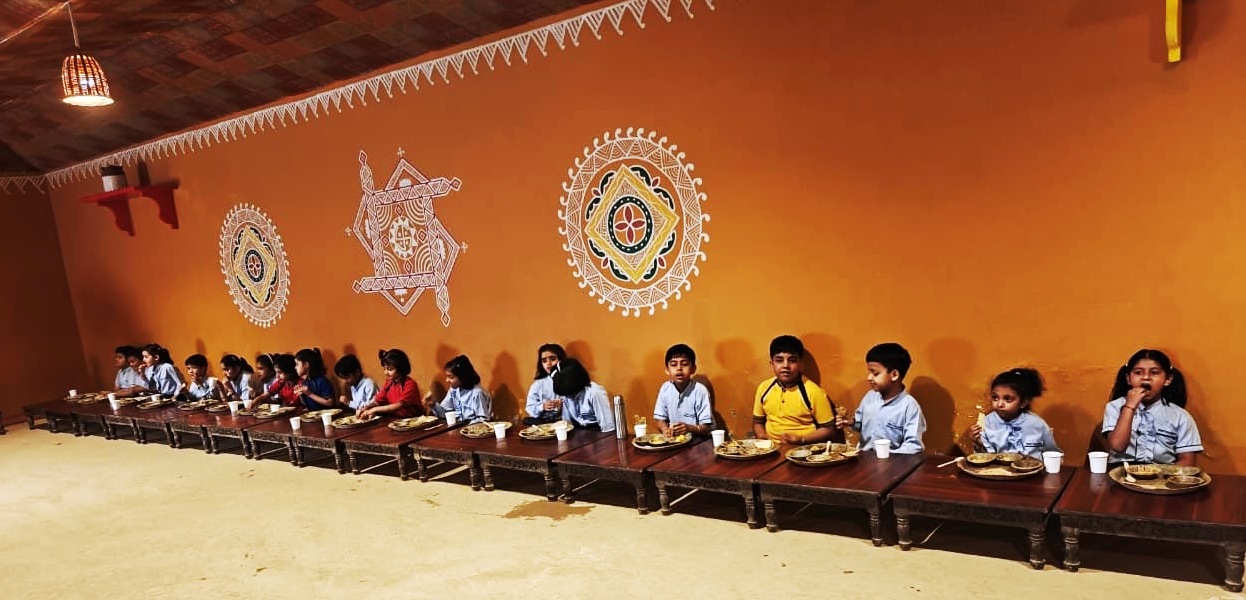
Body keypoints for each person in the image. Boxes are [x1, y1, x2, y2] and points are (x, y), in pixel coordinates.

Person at [1102, 349, 1202, 466]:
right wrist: (1130, 406)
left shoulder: (1180, 416)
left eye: (1154, 373)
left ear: (1168, 379)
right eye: (1138, 372)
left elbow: (1188, 461)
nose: (1146, 377)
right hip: (1121, 471)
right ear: (1128, 379)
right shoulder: (1115, 407)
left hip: (1163, 474)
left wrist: (1162, 474)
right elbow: (1118, 446)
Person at [837, 342, 925, 454]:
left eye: (875, 373)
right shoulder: (870, 397)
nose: (869, 378)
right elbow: (860, 424)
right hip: (864, 458)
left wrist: (886, 455)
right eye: (869, 372)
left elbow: (913, 446)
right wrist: (850, 422)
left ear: (894, 375)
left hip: (893, 461)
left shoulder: (909, 407)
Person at [752, 335, 840, 444]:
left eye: (792, 360)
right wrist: (761, 437)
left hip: (802, 449)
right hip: (771, 448)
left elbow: (829, 429)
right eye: (779, 360)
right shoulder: (764, 388)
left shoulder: (813, 392)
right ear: (772, 364)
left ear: (800, 364)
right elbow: (758, 422)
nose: (786, 365)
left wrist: (801, 440)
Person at [969, 368, 1057, 457]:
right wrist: (978, 443)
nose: (999, 404)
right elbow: (985, 458)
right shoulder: (987, 422)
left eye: (1007, 399)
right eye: (995, 398)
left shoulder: (1037, 424)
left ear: (1023, 402)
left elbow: (1051, 452)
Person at [653, 344, 713, 437]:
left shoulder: (700, 391)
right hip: (674, 440)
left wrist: (689, 428)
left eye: (684, 364)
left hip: (697, 441)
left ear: (693, 369)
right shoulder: (665, 388)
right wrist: (665, 429)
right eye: (673, 364)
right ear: (667, 370)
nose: (679, 368)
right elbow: (660, 419)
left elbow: (706, 427)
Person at [551, 358, 614, 432]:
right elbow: (567, 423)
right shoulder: (567, 394)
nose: (567, 397)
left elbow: (607, 426)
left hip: (597, 431)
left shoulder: (594, 392)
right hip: (578, 432)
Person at [425, 355, 493, 423]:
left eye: (451, 377)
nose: (447, 380)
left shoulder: (477, 392)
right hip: (459, 426)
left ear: (463, 377)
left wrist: (467, 426)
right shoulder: (453, 390)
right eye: (447, 377)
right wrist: (433, 405)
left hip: (474, 428)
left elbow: (483, 419)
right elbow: (445, 413)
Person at [357, 349, 421, 419]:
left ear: (401, 368)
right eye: (384, 369)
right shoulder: (389, 383)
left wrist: (374, 410)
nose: (386, 373)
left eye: (390, 369)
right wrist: (366, 408)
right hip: (396, 419)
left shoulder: (410, 384)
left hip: (413, 419)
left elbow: (398, 405)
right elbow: (377, 402)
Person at [524, 343, 566, 425]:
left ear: (561, 360)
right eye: (544, 361)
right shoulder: (538, 385)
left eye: (553, 359)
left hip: (565, 422)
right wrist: (542, 406)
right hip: (543, 423)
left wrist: (564, 405)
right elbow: (529, 408)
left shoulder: (570, 380)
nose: (548, 363)